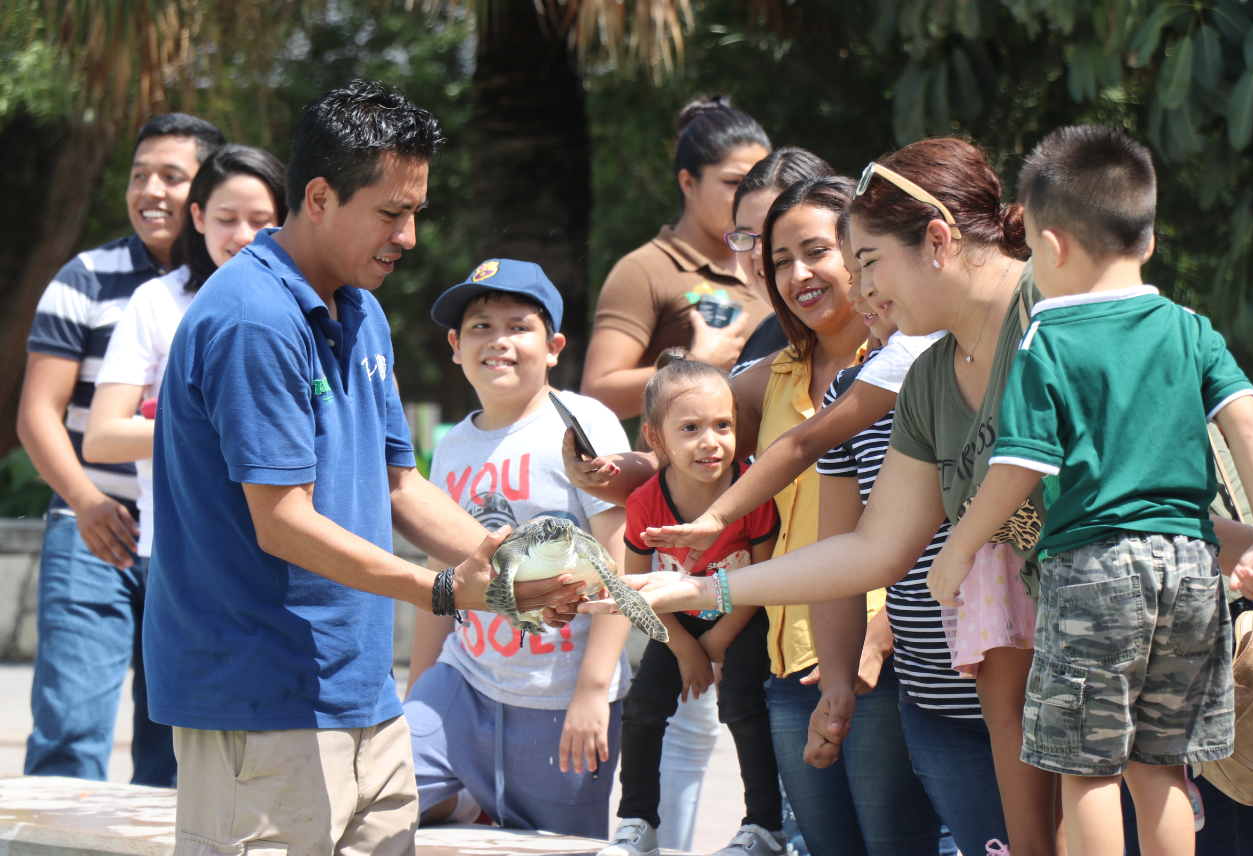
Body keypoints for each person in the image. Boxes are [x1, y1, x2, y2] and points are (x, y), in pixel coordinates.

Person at [144, 81, 585, 856]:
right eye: (392, 212)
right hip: (259, 700)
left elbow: (399, 485)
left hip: (363, 696)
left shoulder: (361, 308)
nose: (410, 236)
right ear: (318, 197)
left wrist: (506, 566)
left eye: (415, 211)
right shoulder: (252, 317)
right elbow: (282, 522)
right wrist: (444, 590)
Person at [582, 139, 1048, 855]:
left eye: (860, 261)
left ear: (934, 240)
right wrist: (701, 584)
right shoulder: (908, 375)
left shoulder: (1050, 328)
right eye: (771, 256)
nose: (861, 290)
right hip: (945, 685)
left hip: (1085, 662)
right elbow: (867, 548)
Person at [925, 126, 1253, 856]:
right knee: (1160, 766)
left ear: (1050, 247)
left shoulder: (1048, 342)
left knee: (1083, 770)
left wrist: (957, 549)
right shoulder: (1188, 328)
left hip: (1094, 570)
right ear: (1146, 241)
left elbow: (1017, 466)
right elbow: (1246, 420)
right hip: (1190, 568)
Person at [17, 112, 225, 787]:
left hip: (194, 534)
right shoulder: (86, 276)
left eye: (171, 176)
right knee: (70, 732)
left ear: (205, 196)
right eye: (139, 176)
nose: (150, 192)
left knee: (176, 742)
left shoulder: (239, 288)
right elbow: (38, 414)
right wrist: (85, 500)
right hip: (90, 529)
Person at [401, 259, 633, 836]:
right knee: (382, 784)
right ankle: (459, 800)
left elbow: (620, 558)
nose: (498, 341)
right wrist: (417, 692)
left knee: (556, 847)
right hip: (462, 680)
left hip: (558, 694)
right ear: (455, 345)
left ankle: (475, 804)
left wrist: (592, 690)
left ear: (553, 346)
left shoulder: (583, 423)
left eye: (518, 326)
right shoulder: (453, 445)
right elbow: (441, 571)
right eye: (480, 326)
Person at [601, 349, 784, 856]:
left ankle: (765, 826)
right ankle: (637, 823)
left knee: (744, 706)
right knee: (641, 710)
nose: (712, 443)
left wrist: (721, 641)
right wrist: (685, 650)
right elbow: (637, 589)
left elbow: (768, 577)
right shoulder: (644, 503)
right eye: (690, 429)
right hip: (674, 621)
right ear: (655, 439)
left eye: (723, 425)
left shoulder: (752, 490)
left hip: (743, 614)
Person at [84, 144, 287, 562]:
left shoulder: (308, 305)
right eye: (226, 220)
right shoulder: (156, 301)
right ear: (198, 217)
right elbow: (101, 439)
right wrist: (220, 425)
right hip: (181, 554)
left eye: (261, 221)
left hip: (287, 551)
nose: (244, 235)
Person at [583, 95, 773, 418]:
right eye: (732, 182)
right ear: (688, 182)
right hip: (681, 467)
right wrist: (693, 365)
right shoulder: (645, 268)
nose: (747, 197)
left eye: (758, 183)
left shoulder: (778, 264)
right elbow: (596, 395)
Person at [727, 147, 834, 377]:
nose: (758, 253)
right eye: (745, 237)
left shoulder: (881, 340)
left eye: (772, 235)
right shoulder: (761, 338)